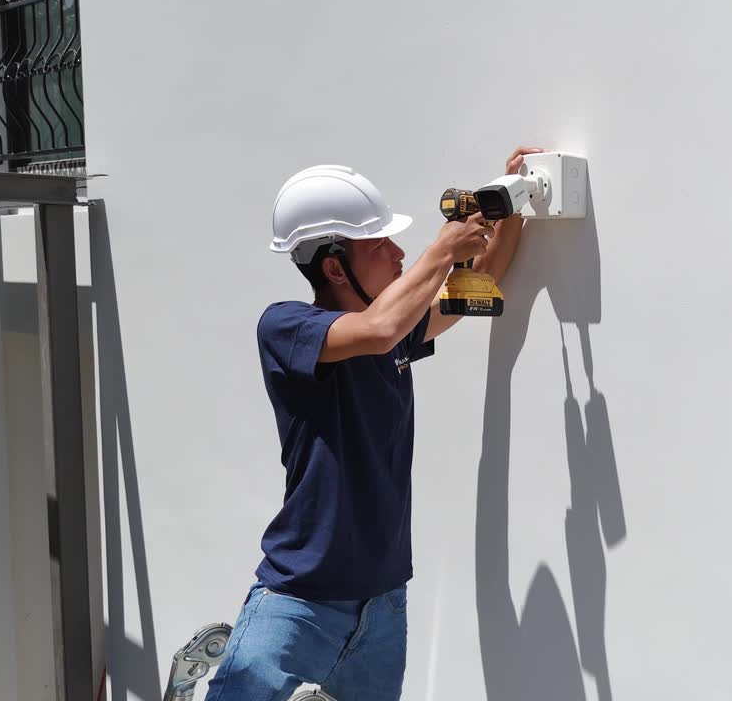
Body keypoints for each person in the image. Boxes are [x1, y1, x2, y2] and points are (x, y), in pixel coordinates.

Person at [203, 147, 543, 701]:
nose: (399, 252)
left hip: (384, 602)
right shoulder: (288, 327)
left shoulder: (394, 329)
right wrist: (441, 248)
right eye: (381, 243)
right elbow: (378, 328)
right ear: (334, 267)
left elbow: (478, 285)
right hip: (298, 602)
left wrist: (510, 205)